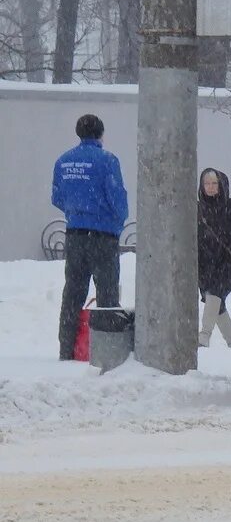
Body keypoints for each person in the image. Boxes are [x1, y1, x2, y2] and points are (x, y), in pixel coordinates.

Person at [51, 114, 129, 360]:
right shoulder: (107, 161)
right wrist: (115, 220)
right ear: (100, 134)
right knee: (107, 294)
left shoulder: (63, 161)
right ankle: (106, 350)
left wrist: (76, 212)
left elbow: (57, 197)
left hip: (75, 236)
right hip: (103, 236)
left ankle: (66, 349)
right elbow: (117, 198)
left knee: (73, 292)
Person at [197, 168, 231, 348]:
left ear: (222, 185)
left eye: (214, 183)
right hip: (204, 266)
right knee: (217, 305)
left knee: (215, 294)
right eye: (207, 183)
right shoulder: (197, 208)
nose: (211, 187)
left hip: (228, 264)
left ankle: (204, 336)